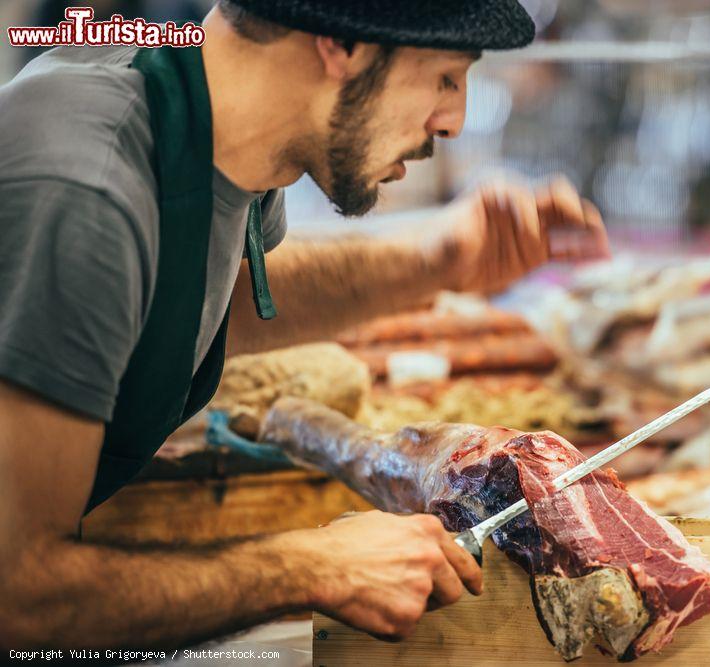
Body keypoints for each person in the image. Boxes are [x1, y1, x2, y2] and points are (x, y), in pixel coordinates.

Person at [0, 0, 610, 650]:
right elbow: (19, 588)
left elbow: (209, 298)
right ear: (341, 41)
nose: (454, 121)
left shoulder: (223, 143)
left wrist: (437, 260)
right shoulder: (85, 188)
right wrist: (314, 566)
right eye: (446, 77)